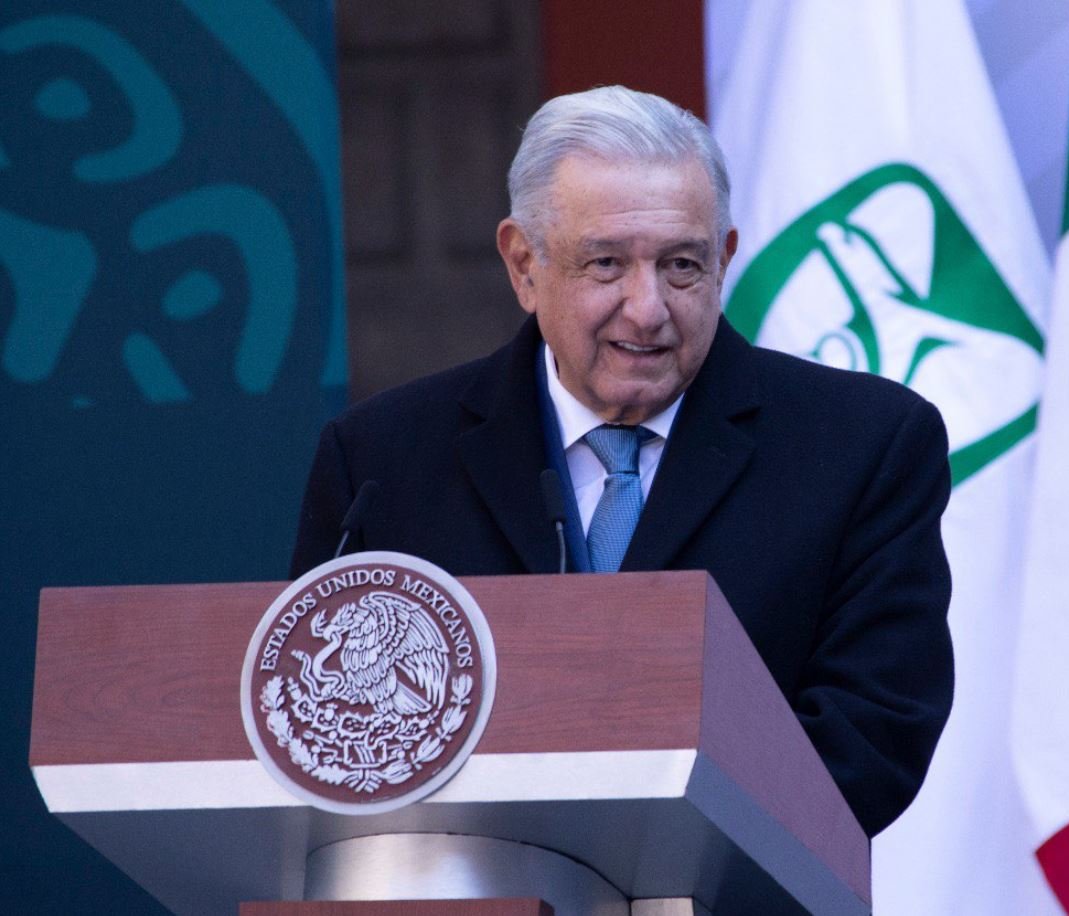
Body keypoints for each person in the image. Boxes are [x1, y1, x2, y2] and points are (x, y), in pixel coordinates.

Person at [290, 85, 952, 837]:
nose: (647, 308)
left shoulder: (865, 445)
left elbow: (875, 729)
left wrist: (641, 859)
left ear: (724, 257)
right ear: (523, 265)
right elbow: (324, 727)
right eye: (606, 263)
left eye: (680, 266)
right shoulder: (381, 462)